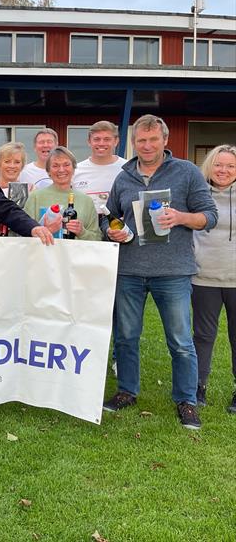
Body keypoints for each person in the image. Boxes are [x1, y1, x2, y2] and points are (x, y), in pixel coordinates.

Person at [102, 114, 217, 430]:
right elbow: (110, 215)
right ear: (134, 142)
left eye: (153, 139)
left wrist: (180, 217)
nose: (147, 145)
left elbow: (210, 216)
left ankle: (186, 401)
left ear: (165, 141)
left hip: (173, 271)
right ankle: (126, 392)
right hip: (129, 269)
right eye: (141, 140)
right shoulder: (124, 176)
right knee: (126, 337)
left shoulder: (187, 172)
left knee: (180, 341)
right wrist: (113, 228)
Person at [191, 145, 236, 412]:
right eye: (218, 165)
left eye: (230, 166)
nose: (224, 170)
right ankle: (198, 387)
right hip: (203, 277)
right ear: (209, 166)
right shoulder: (197, 194)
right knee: (203, 336)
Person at [24, 147, 101, 241]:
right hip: (44, 254)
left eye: (66, 165)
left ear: (73, 169)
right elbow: (23, 235)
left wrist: (82, 232)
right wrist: (46, 231)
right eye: (55, 166)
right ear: (48, 171)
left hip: (76, 255)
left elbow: (97, 238)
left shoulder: (86, 201)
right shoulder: (35, 197)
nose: (61, 170)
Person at [72, 121, 127, 216]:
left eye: (107, 139)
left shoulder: (127, 168)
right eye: (97, 139)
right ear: (89, 141)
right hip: (85, 229)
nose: (101, 143)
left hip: (119, 228)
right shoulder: (76, 170)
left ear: (116, 141)